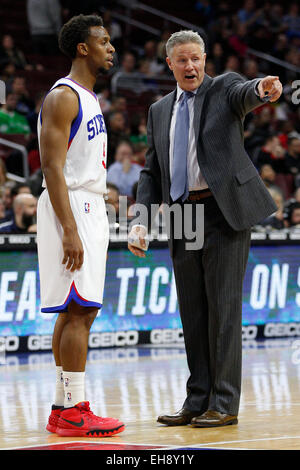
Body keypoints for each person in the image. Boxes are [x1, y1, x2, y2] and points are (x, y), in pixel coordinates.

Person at [128, 30, 282, 428]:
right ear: (170, 64)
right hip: (183, 215)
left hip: (221, 211)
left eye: (196, 58)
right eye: (182, 60)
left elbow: (246, 93)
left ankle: (225, 403)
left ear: (204, 59)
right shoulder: (159, 109)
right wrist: (140, 222)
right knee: (192, 312)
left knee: (224, 309)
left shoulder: (224, 88)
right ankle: (197, 399)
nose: (191, 65)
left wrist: (262, 89)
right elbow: (151, 171)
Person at [37, 14, 124, 437]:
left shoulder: (89, 98)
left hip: (86, 203)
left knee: (76, 310)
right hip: (70, 204)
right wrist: (70, 228)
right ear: (82, 48)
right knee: (79, 309)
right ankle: (74, 408)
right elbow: (51, 167)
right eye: (103, 41)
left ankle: (61, 406)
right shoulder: (64, 97)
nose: (111, 48)